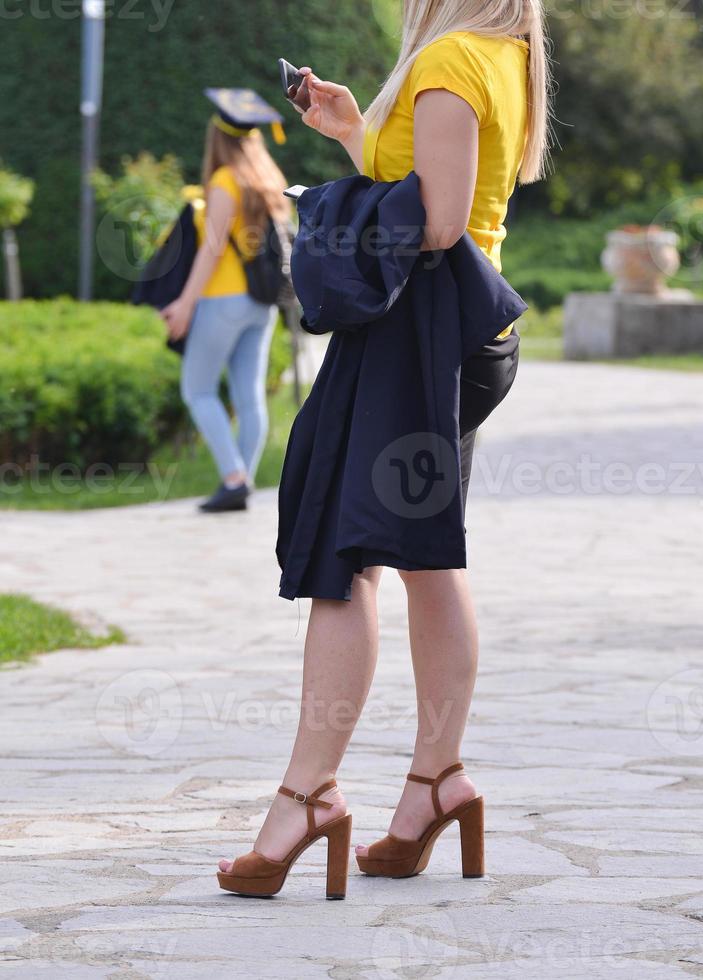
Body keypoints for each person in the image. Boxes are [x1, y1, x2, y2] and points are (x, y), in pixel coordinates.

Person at [217, 0, 551, 896]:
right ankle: (435, 783)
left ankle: (308, 796)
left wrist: (323, 205)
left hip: (416, 341)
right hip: (458, 338)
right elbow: (447, 193)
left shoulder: (449, 62)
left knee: (343, 554)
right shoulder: (503, 54)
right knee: (425, 561)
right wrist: (358, 132)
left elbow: (436, 224)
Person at [163, 89, 291, 513]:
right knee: (249, 393)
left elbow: (213, 247)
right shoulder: (270, 178)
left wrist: (184, 303)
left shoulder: (223, 182)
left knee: (197, 389)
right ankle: (242, 479)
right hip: (262, 302)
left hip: (223, 300)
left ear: (216, 138)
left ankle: (234, 478)